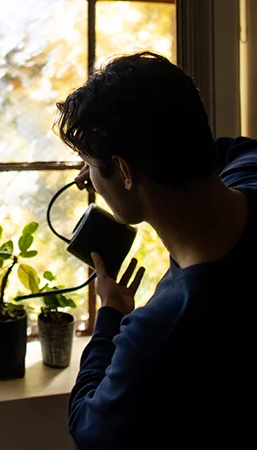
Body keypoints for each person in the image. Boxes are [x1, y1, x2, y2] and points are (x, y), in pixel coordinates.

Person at [55, 51, 257, 450]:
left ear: (126, 172)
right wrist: (107, 161)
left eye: (92, 166)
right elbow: (228, 149)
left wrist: (111, 314)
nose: (90, 178)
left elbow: (87, 427)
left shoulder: (164, 330)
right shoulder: (246, 170)